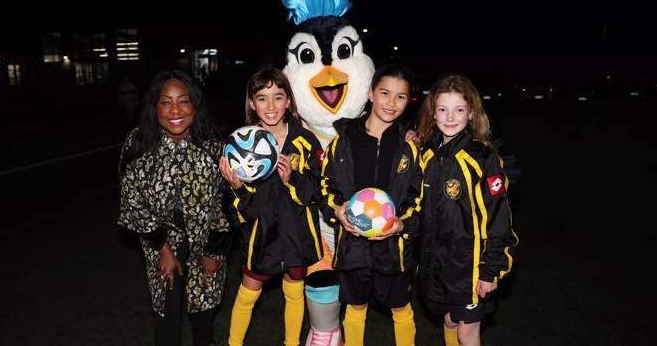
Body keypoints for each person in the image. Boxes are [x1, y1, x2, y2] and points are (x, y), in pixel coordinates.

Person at [118, 70, 231, 346]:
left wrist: (215, 250)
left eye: (183, 101)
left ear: (195, 105)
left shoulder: (214, 145)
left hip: (207, 240)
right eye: (166, 102)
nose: (175, 110)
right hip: (161, 241)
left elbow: (228, 201)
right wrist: (162, 249)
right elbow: (133, 201)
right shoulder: (139, 144)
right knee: (167, 319)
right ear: (154, 107)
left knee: (204, 319)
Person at [319, 64, 424, 346]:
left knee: (400, 308)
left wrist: (403, 224)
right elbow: (326, 185)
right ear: (370, 93)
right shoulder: (342, 142)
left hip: (394, 248)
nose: (391, 103)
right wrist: (337, 210)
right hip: (353, 245)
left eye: (400, 97)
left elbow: (418, 195)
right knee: (355, 308)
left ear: (408, 101)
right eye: (385, 93)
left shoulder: (409, 146)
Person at [219, 68, 324, 346]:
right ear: (252, 103)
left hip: (296, 234)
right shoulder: (241, 146)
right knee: (248, 293)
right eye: (262, 98)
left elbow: (314, 192)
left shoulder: (305, 140)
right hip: (262, 235)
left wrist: (293, 179)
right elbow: (245, 211)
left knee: (294, 292)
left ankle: (292, 343)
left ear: (288, 101)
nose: (270, 106)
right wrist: (238, 187)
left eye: (278, 97)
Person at [415, 73, 519, 346]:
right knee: (449, 319)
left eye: (459, 110)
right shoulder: (427, 154)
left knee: (467, 332)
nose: (450, 118)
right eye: (443, 109)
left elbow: (499, 217)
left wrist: (490, 270)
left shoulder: (483, 159)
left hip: (471, 269)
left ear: (471, 113)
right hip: (436, 265)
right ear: (433, 113)